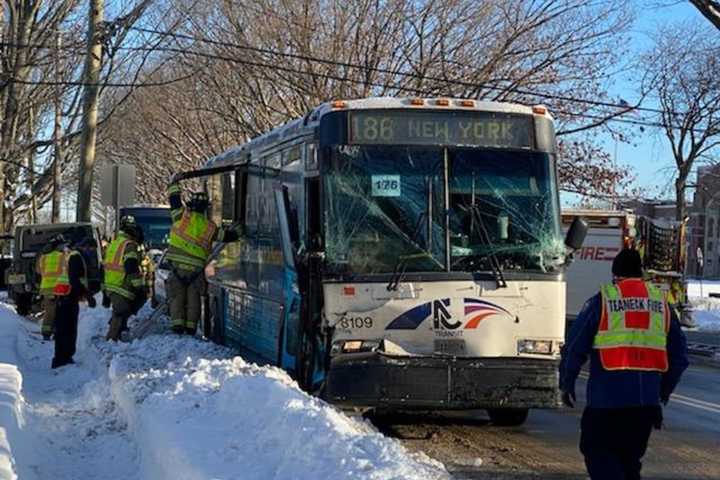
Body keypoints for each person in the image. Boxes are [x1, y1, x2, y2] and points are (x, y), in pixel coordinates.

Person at [559, 248, 689, 480]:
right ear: (640, 274)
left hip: (606, 403)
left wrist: (567, 382)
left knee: (597, 452)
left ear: (615, 274)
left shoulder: (604, 301)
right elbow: (680, 358)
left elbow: (575, 345)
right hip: (644, 406)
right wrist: (661, 393)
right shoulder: (661, 305)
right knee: (630, 462)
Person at [166, 178, 240, 335]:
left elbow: (174, 201)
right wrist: (239, 231)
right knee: (194, 300)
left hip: (177, 269)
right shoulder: (209, 227)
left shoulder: (181, 218)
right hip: (195, 271)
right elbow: (227, 236)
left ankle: (177, 326)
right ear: (206, 208)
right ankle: (191, 328)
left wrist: (174, 185)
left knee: (176, 298)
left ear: (191, 205)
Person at [38, 235, 95, 368]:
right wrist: (87, 295)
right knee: (67, 329)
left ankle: (62, 357)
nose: (91, 250)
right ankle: (63, 358)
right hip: (67, 296)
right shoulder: (75, 256)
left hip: (61, 293)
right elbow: (75, 279)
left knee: (62, 328)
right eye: (90, 247)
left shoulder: (67, 255)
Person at [103, 216, 147, 341]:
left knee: (121, 310)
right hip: (122, 284)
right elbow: (131, 267)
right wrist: (140, 286)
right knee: (122, 311)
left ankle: (120, 329)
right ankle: (112, 338)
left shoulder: (115, 243)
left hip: (111, 283)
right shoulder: (129, 245)